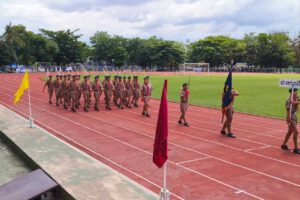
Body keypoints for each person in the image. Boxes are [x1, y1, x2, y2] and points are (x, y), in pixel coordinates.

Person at [281, 88, 300, 154]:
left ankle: (284, 144)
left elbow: (299, 101)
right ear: (291, 93)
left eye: (296, 92)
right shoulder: (288, 101)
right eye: (295, 92)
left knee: (290, 131)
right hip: (291, 117)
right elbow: (288, 110)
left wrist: (294, 102)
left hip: (295, 116)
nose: (296, 93)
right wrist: (288, 118)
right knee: (296, 132)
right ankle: (296, 148)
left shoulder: (296, 98)